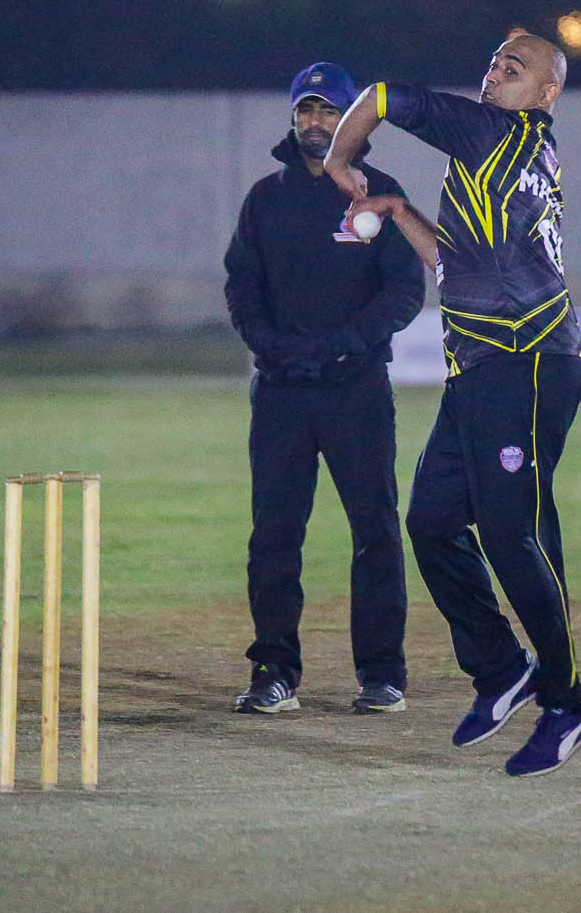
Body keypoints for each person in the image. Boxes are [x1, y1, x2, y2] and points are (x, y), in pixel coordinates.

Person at [322, 30, 581, 777]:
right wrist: (400, 210)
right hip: (484, 369)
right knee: (432, 521)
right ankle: (502, 667)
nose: (497, 71)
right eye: (494, 62)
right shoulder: (515, 156)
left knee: (515, 534)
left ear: (547, 94)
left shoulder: (495, 132)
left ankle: (568, 700)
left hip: (526, 363)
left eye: (517, 67)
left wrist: (340, 161)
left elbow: (380, 97)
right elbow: (457, 264)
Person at [223, 61, 425, 716]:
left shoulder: (380, 192)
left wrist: (342, 342)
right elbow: (242, 284)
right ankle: (274, 672)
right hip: (281, 391)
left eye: (329, 110)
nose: (315, 121)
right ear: (293, 117)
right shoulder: (266, 198)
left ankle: (382, 674)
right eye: (306, 109)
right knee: (274, 536)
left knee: (375, 531)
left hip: (354, 389)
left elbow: (405, 291)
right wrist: (270, 344)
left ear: (351, 122)